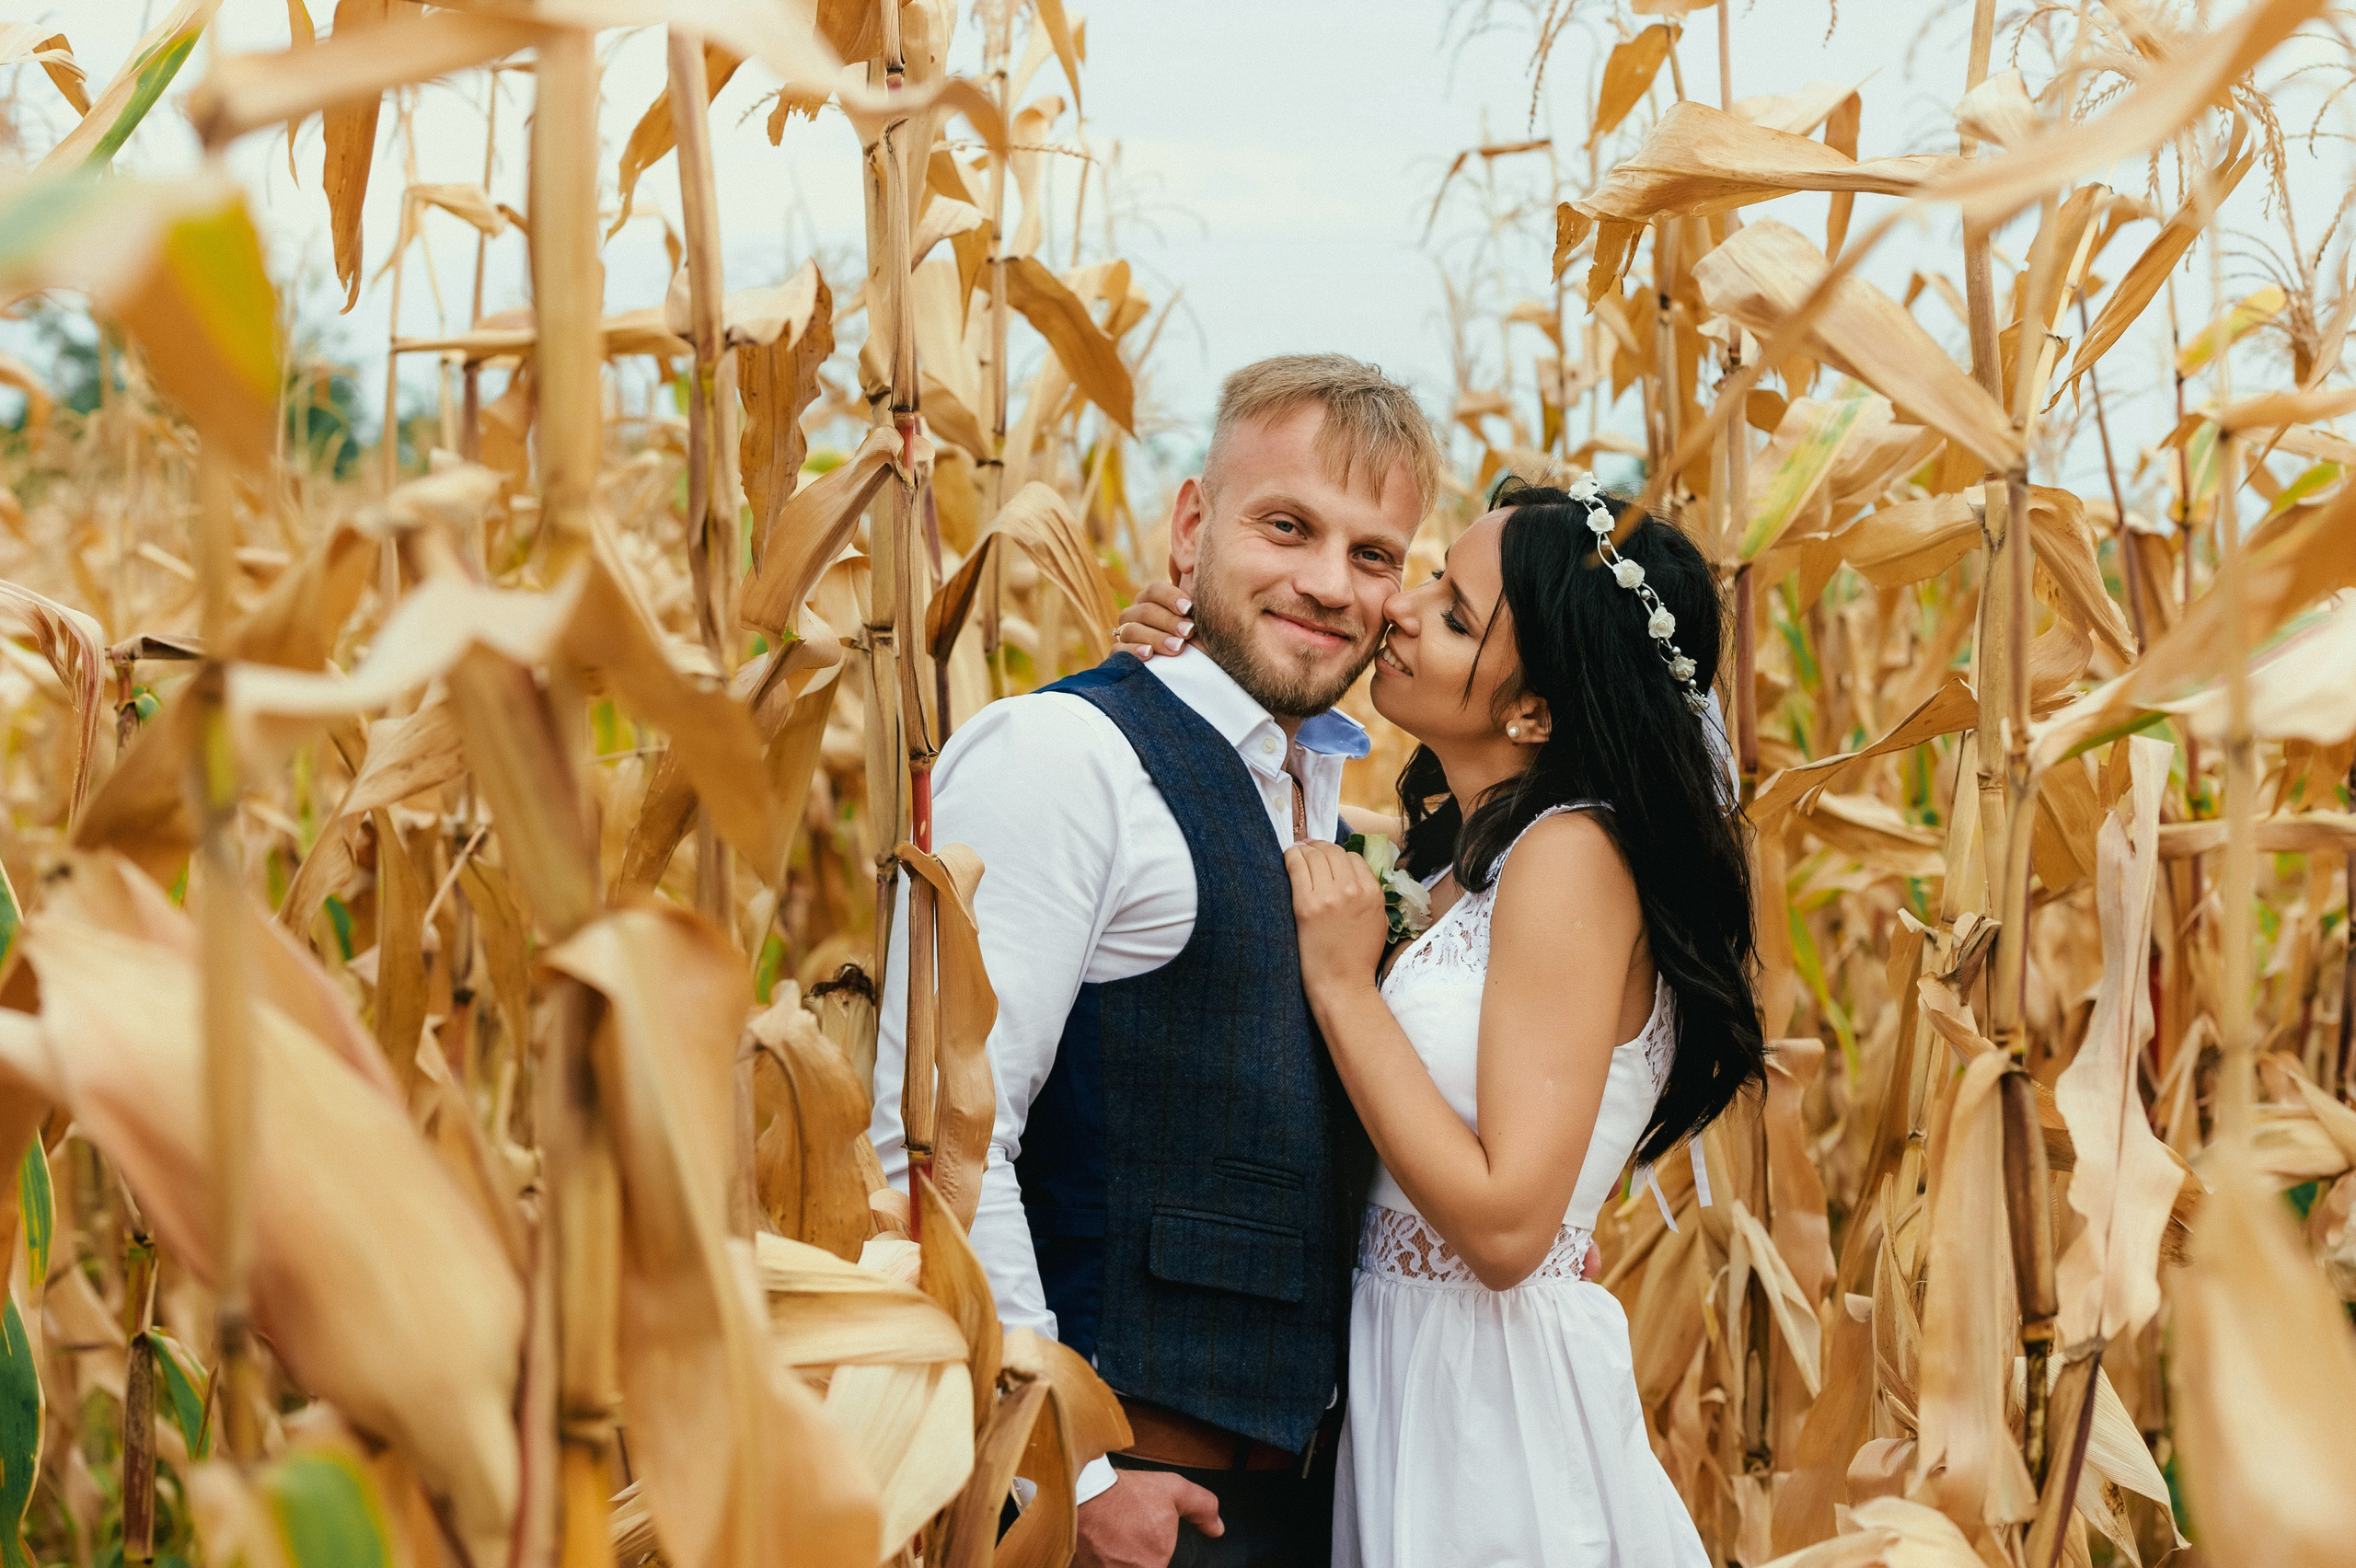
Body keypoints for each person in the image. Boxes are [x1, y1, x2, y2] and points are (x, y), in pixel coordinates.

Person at [1114, 475, 1764, 1566]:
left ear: (1534, 709)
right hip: (1415, 1376)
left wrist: (1342, 986)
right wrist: (1179, 681)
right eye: (1427, 579)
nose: (1400, 612)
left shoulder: (1570, 859)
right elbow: (1269, 819)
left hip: (1489, 1413)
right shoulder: (1463, 868)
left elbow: (1509, 1229)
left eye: (1455, 613)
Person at [869, 353, 1445, 1567]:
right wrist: (1060, 1473)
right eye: (1286, 526)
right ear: (1191, 527)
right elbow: (934, 1136)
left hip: (1308, 1507)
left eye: (1373, 555)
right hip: (1118, 1508)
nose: (1327, 583)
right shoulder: (1063, 757)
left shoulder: (1329, 807)